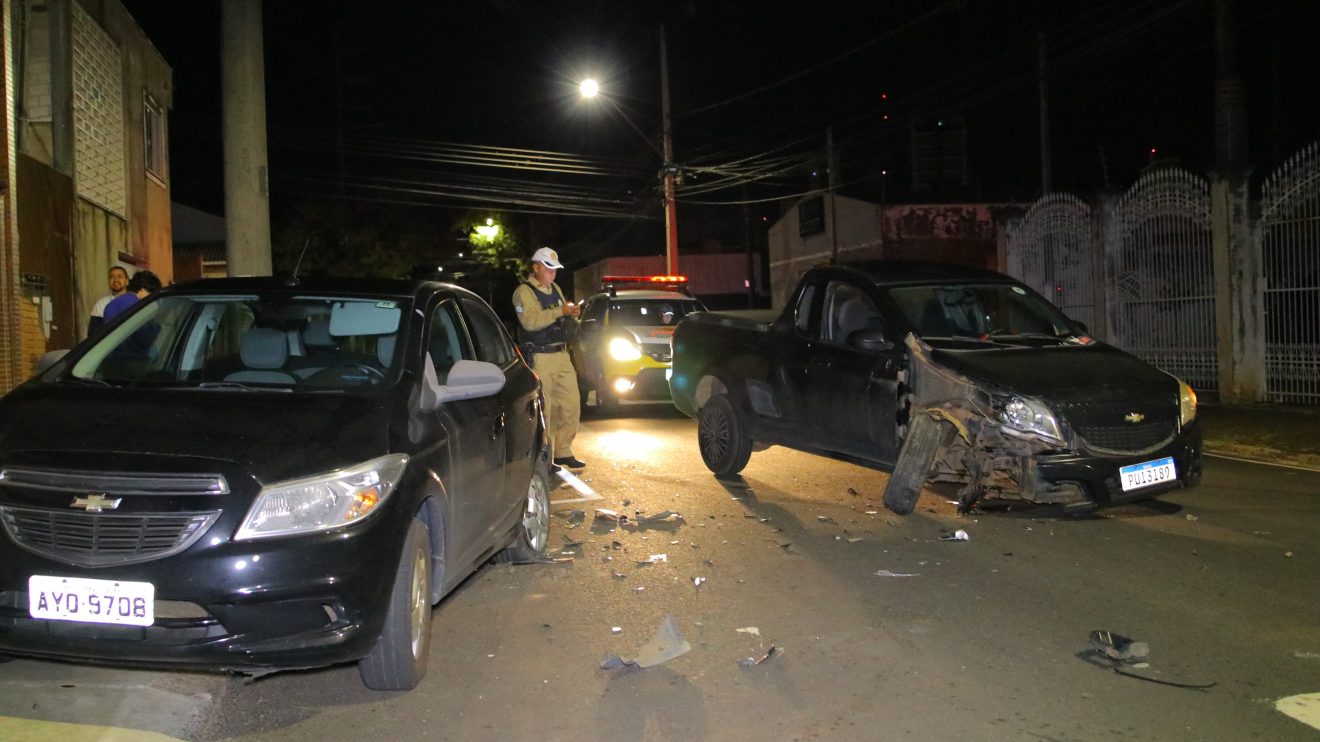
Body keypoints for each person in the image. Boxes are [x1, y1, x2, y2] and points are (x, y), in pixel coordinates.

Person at [512, 247, 585, 471]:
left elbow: (561, 315)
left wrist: (572, 314)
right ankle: (544, 455)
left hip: (562, 353)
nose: (553, 274)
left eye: (555, 270)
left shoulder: (555, 288)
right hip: (540, 355)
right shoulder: (523, 292)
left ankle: (563, 451)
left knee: (571, 404)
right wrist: (560, 312)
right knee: (545, 408)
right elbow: (530, 322)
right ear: (537, 267)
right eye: (549, 269)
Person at [87, 266, 129, 335]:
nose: (116, 280)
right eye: (112, 277)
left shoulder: (134, 301)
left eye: (119, 276)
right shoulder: (101, 304)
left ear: (127, 281)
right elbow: (93, 334)